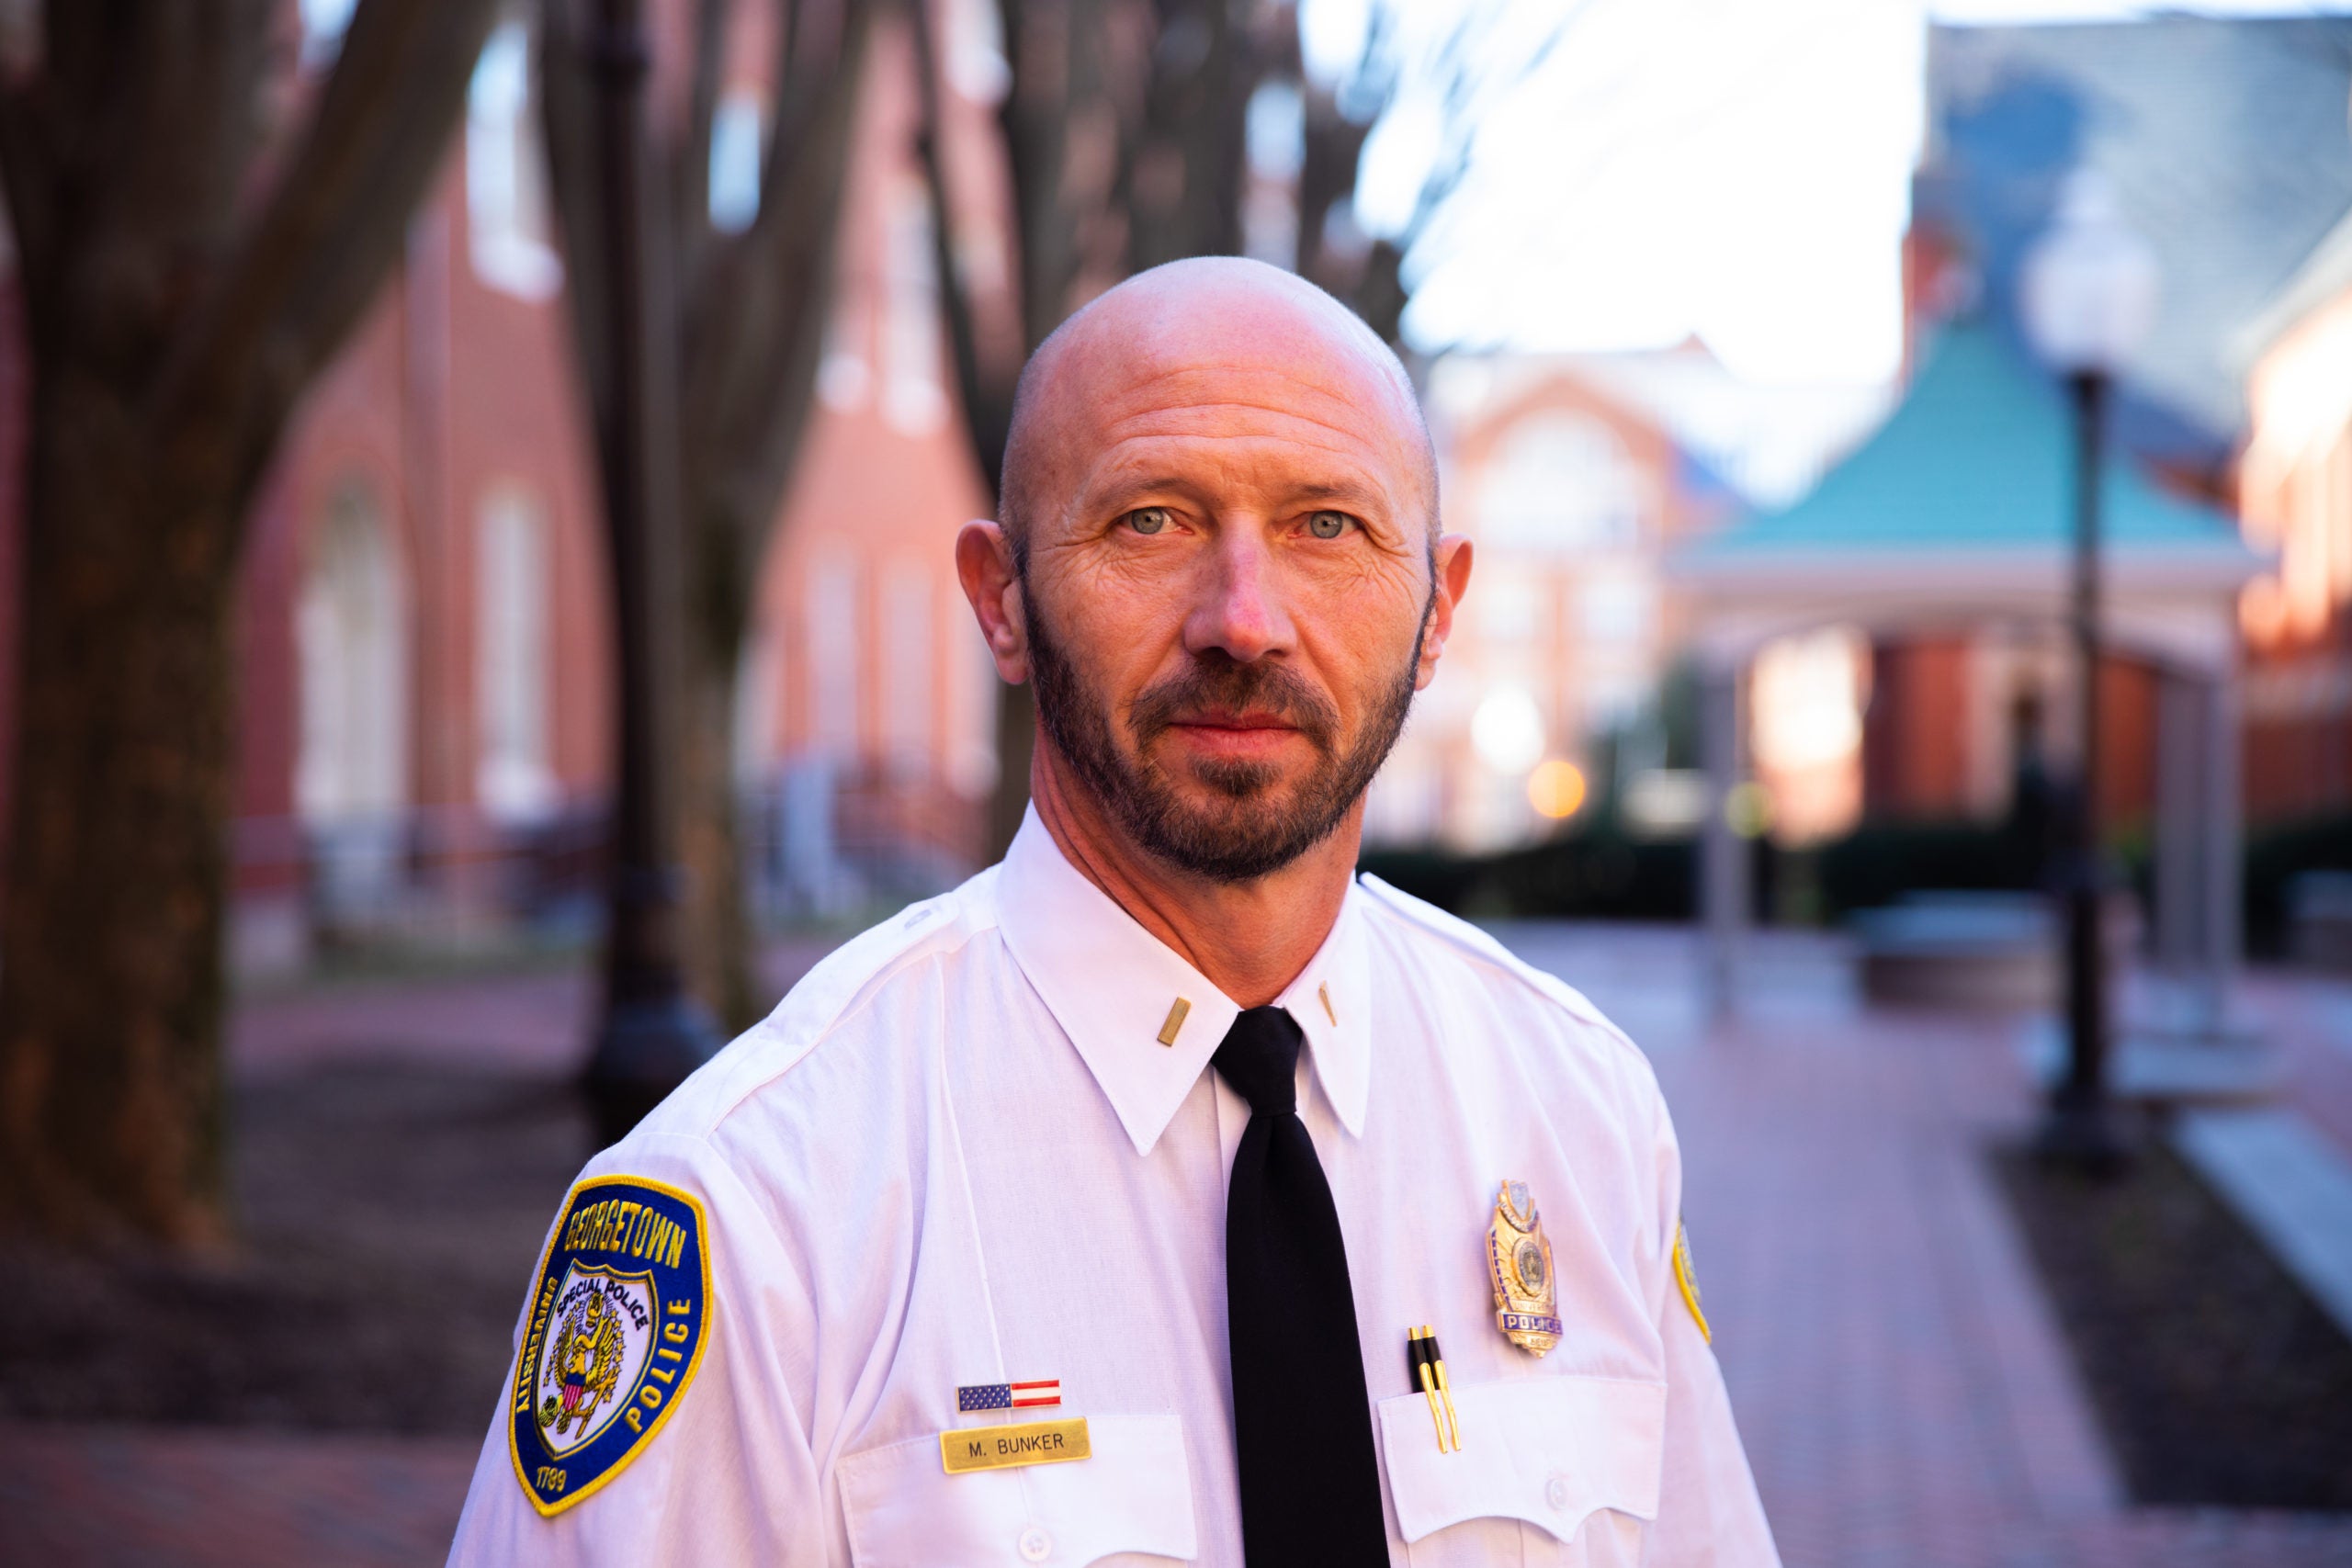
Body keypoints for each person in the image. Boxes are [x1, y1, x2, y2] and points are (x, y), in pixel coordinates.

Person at [447, 257, 1778, 1566]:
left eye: (1329, 526)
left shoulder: (1582, 1112)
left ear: (1438, 612)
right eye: (1153, 519)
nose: (1245, 622)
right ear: (1002, 600)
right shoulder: (754, 1209)